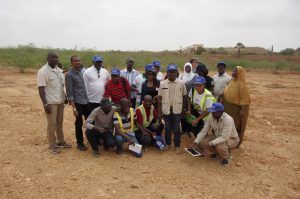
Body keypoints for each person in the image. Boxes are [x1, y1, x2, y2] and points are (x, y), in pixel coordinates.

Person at [37, 52, 71, 154]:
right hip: (50, 102)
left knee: (59, 123)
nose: (55, 59)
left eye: (57, 57)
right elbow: (41, 88)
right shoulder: (43, 71)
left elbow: (61, 85)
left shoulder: (58, 70)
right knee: (51, 124)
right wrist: (45, 104)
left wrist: (64, 96)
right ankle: (52, 145)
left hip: (60, 101)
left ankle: (61, 141)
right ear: (48, 58)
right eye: (53, 57)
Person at [158, 63, 187, 154]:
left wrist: (183, 109)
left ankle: (177, 145)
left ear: (176, 73)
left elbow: (185, 96)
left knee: (176, 129)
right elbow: (159, 98)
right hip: (166, 109)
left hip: (177, 110)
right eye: (170, 72)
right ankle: (167, 143)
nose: (172, 74)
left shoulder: (181, 83)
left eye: (174, 72)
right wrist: (159, 112)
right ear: (167, 72)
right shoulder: (162, 83)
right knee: (167, 128)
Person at [221, 66, 250, 147]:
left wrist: (243, 110)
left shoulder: (243, 85)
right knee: (228, 124)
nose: (233, 72)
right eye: (233, 70)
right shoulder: (232, 81)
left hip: (237, 110)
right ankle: (228, 141)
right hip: (228, 108)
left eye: (235, 71)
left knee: (236, 126)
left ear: (240, 73)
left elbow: (245, 99)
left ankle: (236, 142)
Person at [65, 55, 90, 151]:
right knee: (78, 123)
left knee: (90, 121)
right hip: (78, 103)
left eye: (79, 61)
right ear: (71, 62)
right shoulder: (69, 75)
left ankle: (91, 139)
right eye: (76, 61)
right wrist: (74, 108)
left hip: (85, 101)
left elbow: (83, 89)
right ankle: (79, 143)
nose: (78, 62)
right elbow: (70, 93)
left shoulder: (80, 73)